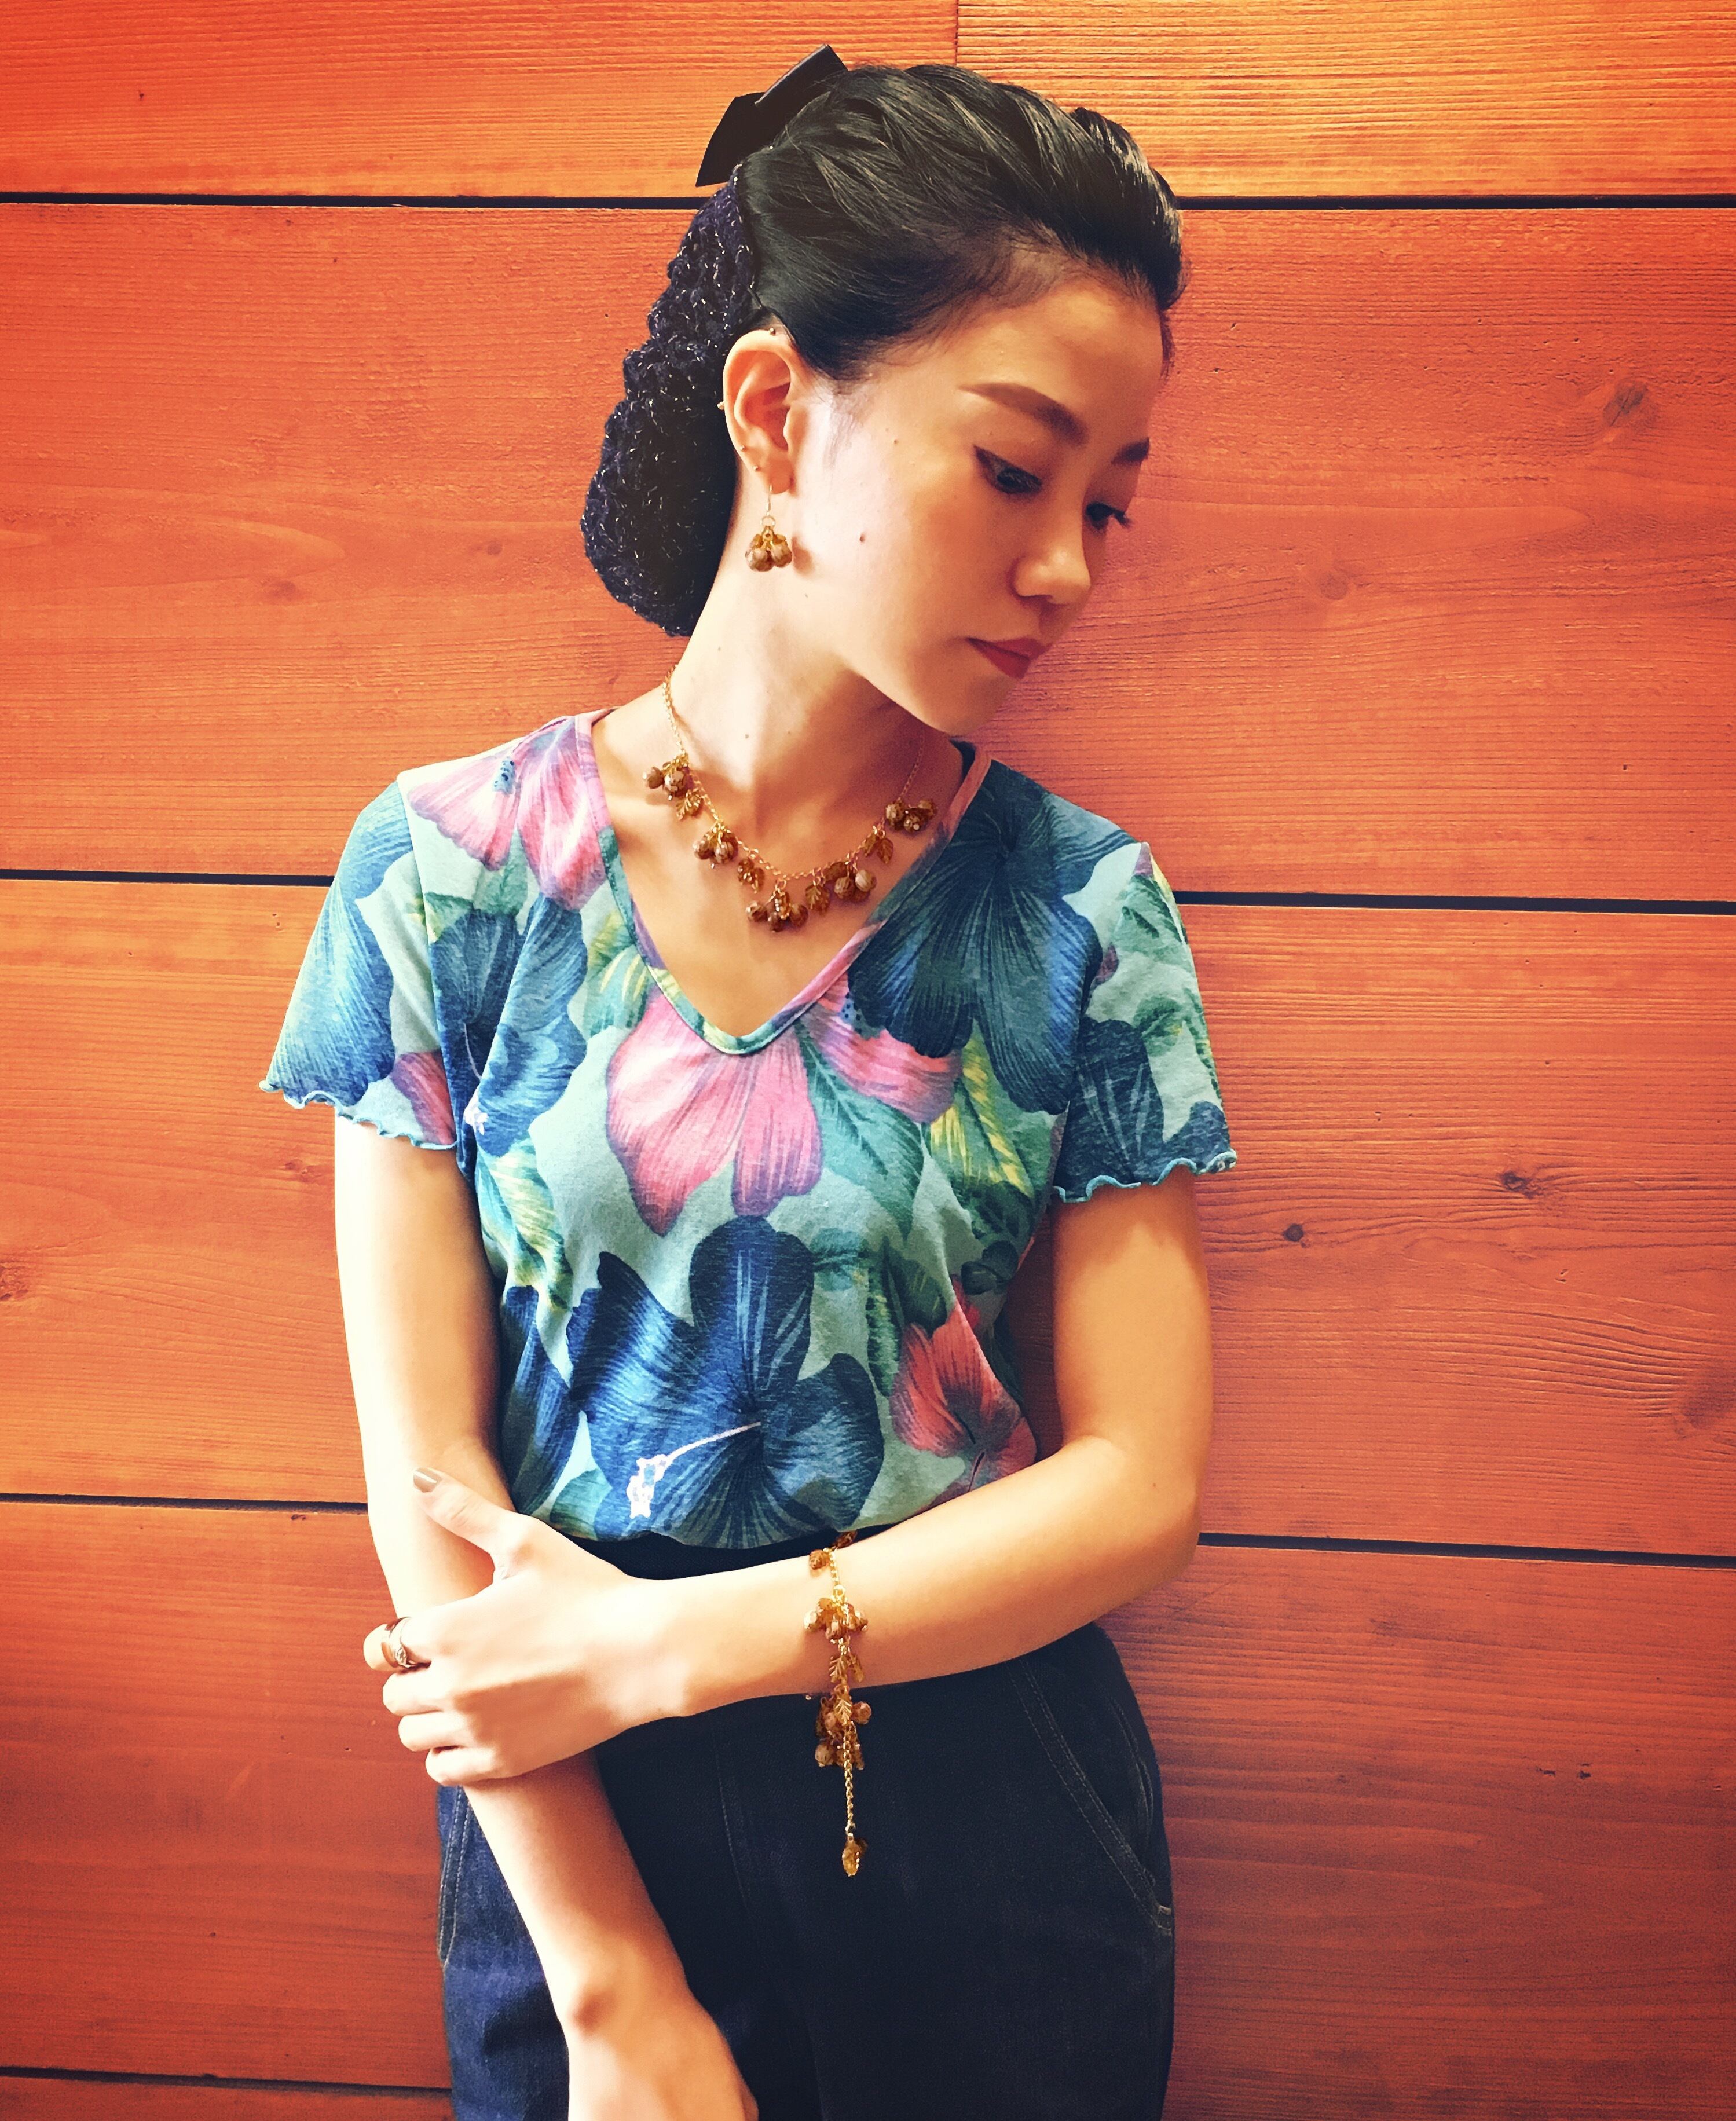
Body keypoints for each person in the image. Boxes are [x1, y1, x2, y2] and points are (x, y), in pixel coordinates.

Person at [259, 48, 1237, 2121]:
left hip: (992, 1831)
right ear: (777, 412)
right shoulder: (446, 869)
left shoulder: (1083, 909)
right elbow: (429, 1480)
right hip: (566, 1831)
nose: (1071, 567)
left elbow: (1140, 1483)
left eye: (1108, 504)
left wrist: (671, 1646)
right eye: (1015, 470)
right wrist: (610, 1989)